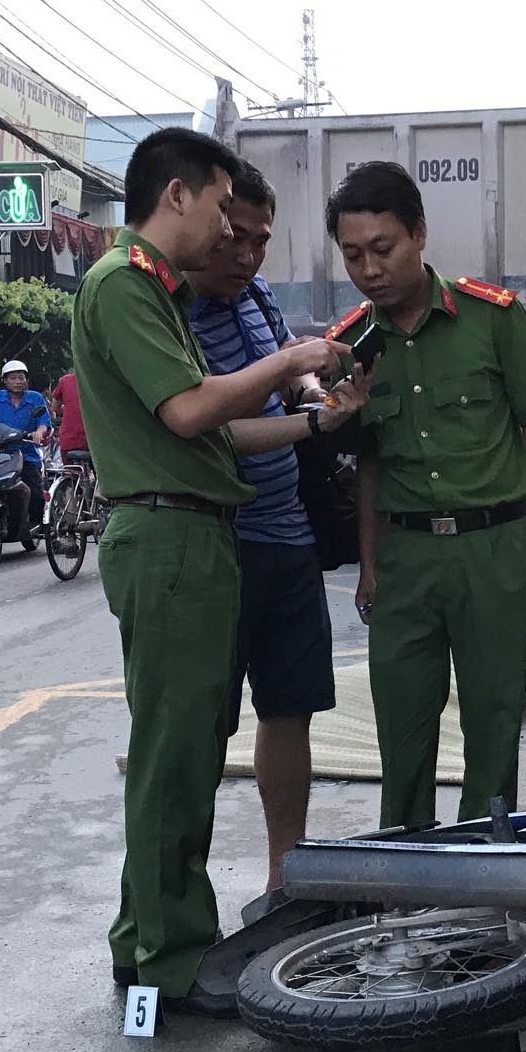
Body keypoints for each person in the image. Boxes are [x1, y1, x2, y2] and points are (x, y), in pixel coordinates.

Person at [72, 126, 346, 1014]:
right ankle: (170, 958)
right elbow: (193, 412)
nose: (231, 230)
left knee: (182, 756)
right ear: (178, 195)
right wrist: (292, 360)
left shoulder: (148, 287)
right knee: (175, 762)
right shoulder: (124, 286)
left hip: (194, 535)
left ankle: (143, 938)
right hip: (169, 535)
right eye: (223, 208)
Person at [334, 160, 526, 830]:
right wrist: (372, 567)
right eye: (353, 255)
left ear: (420, 234)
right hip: (404, 557)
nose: (370, 269)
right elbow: (368, 465)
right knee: (401, 724)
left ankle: (485, 862)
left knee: (494, 721)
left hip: (493, 551)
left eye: (383, 248)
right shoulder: (351, 345)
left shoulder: (491, 319)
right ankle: (407, 866)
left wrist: (498, 506)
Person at [186, 157, 350, 889]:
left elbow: (291, 375)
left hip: (288, 536)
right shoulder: (165, 314)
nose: (246, 255)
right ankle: (185, 894)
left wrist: (316, 388)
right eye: (232, 237)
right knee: (200, 728)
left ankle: (287, 875)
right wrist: (313, 427)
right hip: (219, 541)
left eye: (259, 240)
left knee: (289, 711)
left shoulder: (253, 298)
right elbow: (205, 429)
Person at [0, 360, 52, 517]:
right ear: (5, 380)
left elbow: (44, 423)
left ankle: (36, 525)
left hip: (26, 455)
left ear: (26, 380)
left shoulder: (35, 398)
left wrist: (38, 432)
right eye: (13, 378)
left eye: (21, 378)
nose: (17, 382)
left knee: (36, 495)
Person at [47, 367, 89, 461]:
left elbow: (55, 407)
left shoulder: (66, 380)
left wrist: (67, 410)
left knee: (70, 473)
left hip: (70, 441)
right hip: (97, 442)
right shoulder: (102, 382)